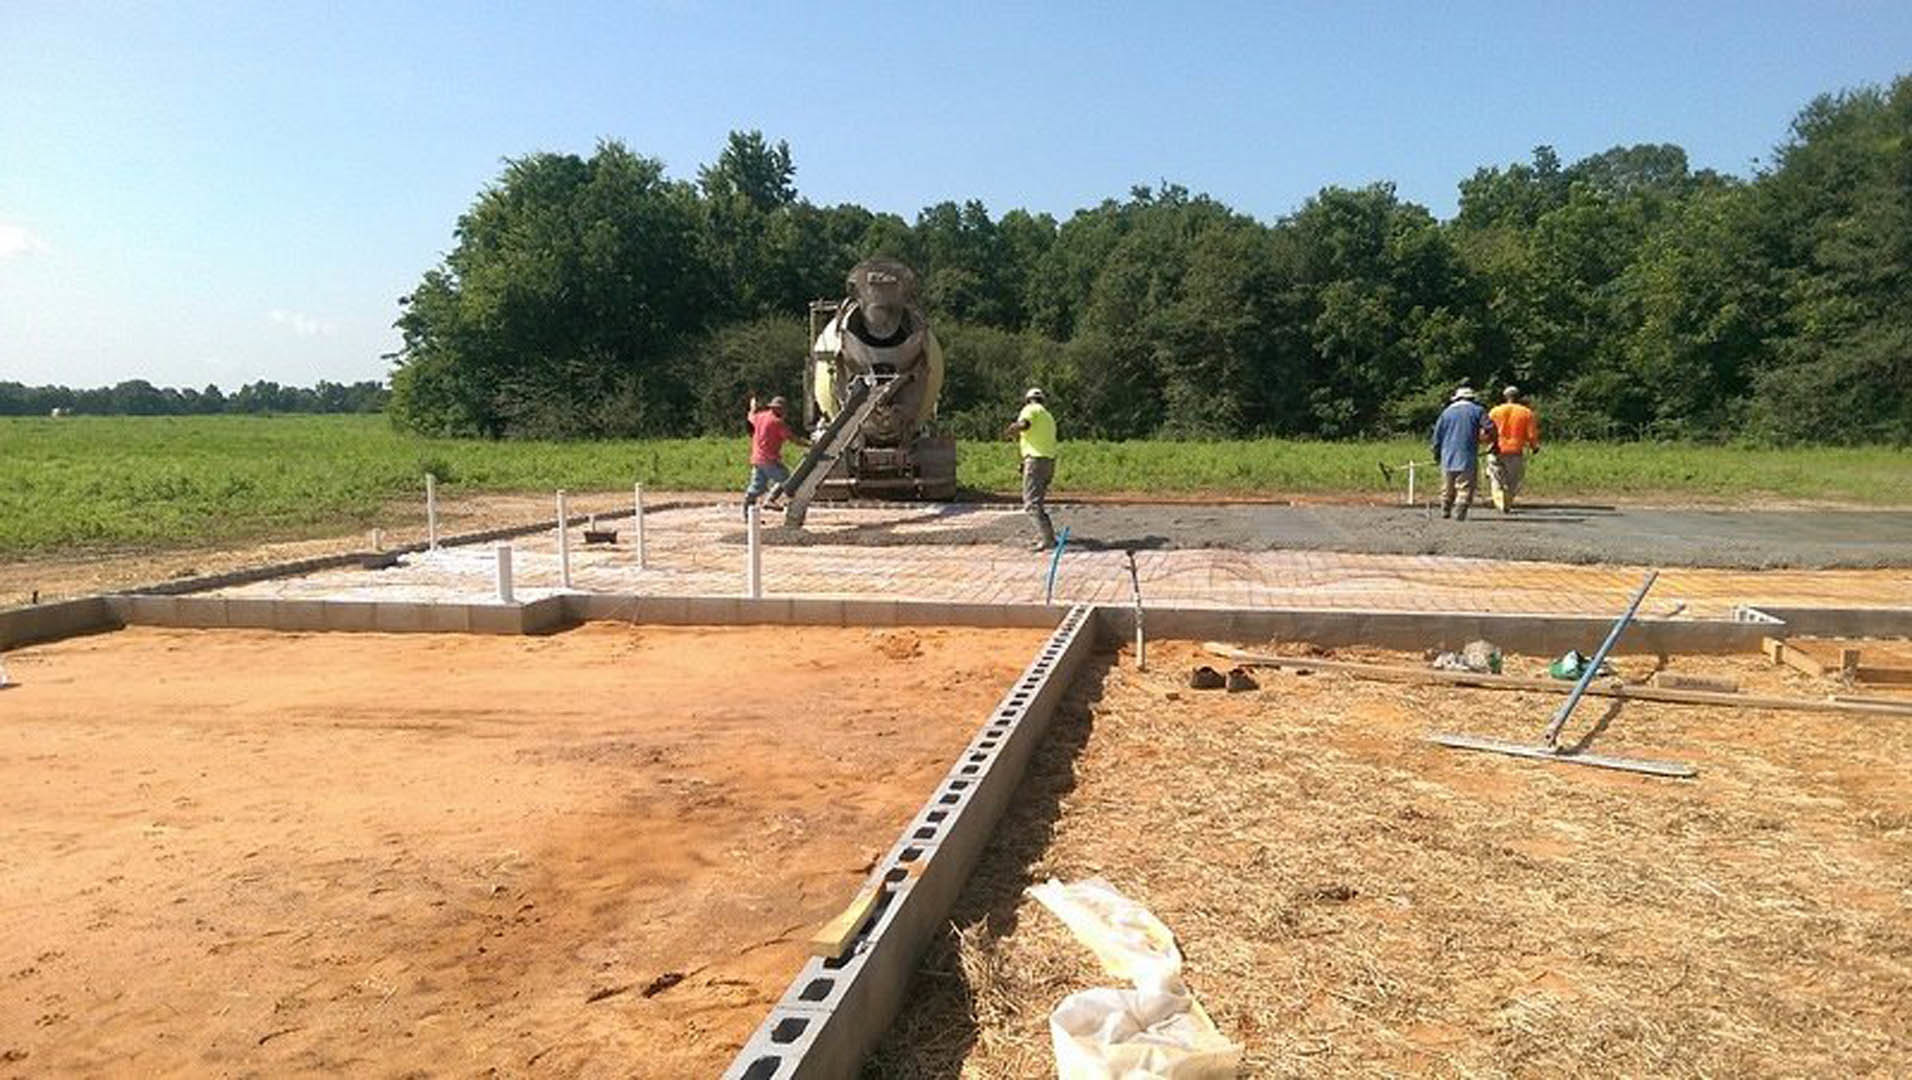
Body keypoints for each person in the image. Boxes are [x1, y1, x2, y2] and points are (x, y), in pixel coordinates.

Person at [1430, 386, 1496, 521]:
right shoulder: (1477, 410)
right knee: (1465, 485)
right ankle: (1460, 509)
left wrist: (1436, 453)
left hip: (1447, 454)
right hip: (1467, 454)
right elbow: (1490, 427)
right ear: (1472, 398)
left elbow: (1437, 436)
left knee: (1447, 485)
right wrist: (1491, 441)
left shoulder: (1446, 412)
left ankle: (1445, 508)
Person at [1003, 387, 1058, 550]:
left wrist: (1012, 429)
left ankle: (1048, 539)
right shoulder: (1048, 416)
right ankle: (1046, 535)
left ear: (1028, 400)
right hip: (1049, 462)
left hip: (1035, 461)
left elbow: (1024, 424)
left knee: (1031, 504)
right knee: (1038, 502)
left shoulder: (1030, 409)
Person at [743, 395, 805, 519]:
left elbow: (750, 416)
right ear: (779, 409)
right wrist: (808, 444)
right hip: (769, 459)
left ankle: (747, 516)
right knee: (786, 479)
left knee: (755, 488)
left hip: (757, 458)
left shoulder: (759, 417)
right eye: (783, 410)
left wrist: (752, 406)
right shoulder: (777, 422)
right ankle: (770, 500)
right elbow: (792, 438)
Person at [1487, 385, 1541, 513]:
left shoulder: (1495, 411)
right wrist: (1534, 446)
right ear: (1519, 397)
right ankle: (1507, 500)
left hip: (1496, 449)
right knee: (1513, 480)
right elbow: (1531, 434)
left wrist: (1485, 443)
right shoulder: (1526, 413)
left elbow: (1487, 431)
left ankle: (1500, 500)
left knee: (1496, 477)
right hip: (1515, 451)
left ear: (1505, 397)